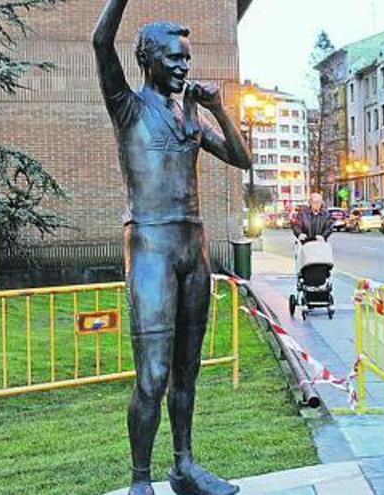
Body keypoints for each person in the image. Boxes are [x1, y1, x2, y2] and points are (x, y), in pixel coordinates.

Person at [93, 1, 251, 494]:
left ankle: (183, 465)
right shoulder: (128, 107)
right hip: (151, 246)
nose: (184, 65)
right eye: (174, 58)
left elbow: (241, 159)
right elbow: (100, 42)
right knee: (154, 374)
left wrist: (218, 107)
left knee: (188, 368)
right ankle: (141, 479)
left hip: (193, 246)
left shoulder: (189, 120)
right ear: (149, 61)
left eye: (186, 57)